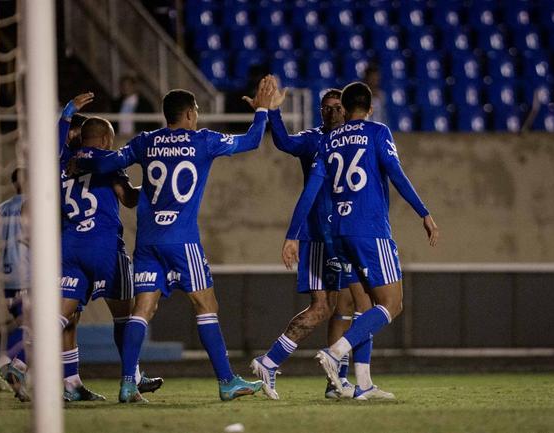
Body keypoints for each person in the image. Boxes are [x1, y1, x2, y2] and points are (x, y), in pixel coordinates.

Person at [72, 77, 276, 403]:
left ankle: (127, 383)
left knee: (142, 309)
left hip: (148, 243)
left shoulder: (144, 142)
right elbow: (251, 141)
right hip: (183, 241)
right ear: (190, 115)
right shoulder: (204, 141)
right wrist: (263, 110)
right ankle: (226, 381)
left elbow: (107, 162)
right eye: (196, 111)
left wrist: (76, 157)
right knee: (206, 306)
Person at [282, 82, 439, 400]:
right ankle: (335, 352)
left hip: (338, 235)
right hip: (370, 231)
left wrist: (292, 235)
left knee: (364, 306)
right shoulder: (377, 132)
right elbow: (395, 173)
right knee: (392, 305)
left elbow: (310, 191)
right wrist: (423, 212)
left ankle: (363, 384)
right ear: (369, 107)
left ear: (346, 107)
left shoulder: (328, 142)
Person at [243, 79, 366, 399]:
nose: (333, 113)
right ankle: (270, 362)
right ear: (321, 113)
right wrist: (272, 112)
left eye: (338, 108)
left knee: (346, 305)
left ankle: (334, 382)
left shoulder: (355, 140)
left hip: (343, 234)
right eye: (327, 109)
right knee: (322, 306)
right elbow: (283, 142)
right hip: (316, 237)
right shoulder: (314, 141)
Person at [57, 93, 163, 402]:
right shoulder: (106, 162)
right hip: (104, 248)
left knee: (62, 318)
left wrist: (65, 116)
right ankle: (133, 378)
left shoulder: (64, 163)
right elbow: (128, 198)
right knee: (125, 317)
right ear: (104, 139)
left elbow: (53, 149)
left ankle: (63, 380)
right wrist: (156, 186)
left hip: (69, 247)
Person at [0, 168, 29, 397]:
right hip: (31, 278)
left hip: (8, 281)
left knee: (29, 331)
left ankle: (18, 381)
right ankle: (3, 365)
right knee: (36, 330)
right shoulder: (36, 207)